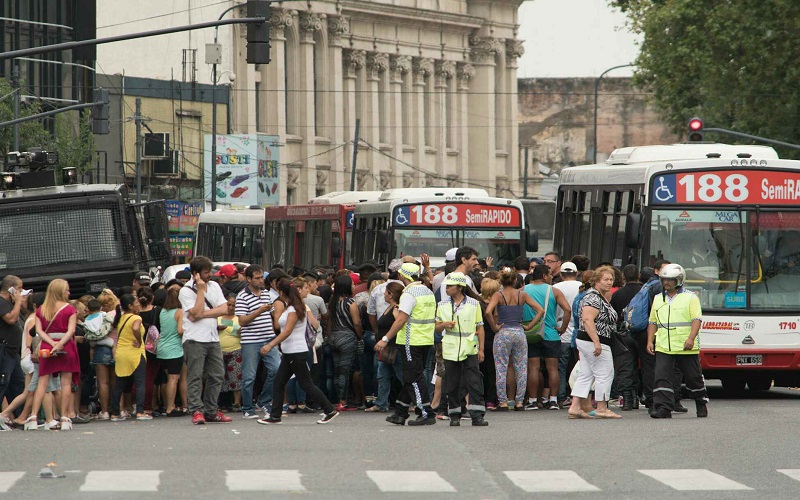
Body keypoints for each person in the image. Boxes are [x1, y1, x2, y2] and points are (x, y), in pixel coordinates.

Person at [257, 278, 339, 425]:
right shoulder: (293, 306)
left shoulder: (294, 309)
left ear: (282, 292)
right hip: (291, 351)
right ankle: (275, 416)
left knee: (306, 384)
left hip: (296, 351)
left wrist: (270, 345)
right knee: (280, 382)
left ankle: (329, 410)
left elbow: (287, 331)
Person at [374, 263, 438, 426]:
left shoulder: (408, 294)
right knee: (413, 375)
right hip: (426, 339)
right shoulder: (427, 291)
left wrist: (385, 339)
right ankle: (400, 412)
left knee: (413, 377)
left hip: (411, 340)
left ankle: (426, 413)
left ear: (403, 276)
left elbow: (401, 319)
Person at [647, 263, 708, 418]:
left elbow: (696, 320)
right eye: (663, 279)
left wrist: (691, 338)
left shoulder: (690, 297)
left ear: (679, 280)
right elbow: (652, 322)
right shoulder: (657, 298)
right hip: (663, 346)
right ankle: (664, 408)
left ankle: (700, 402)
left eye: (670, 280)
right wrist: (649, 341)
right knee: (661, 377)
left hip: (685, 345)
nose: (666, 283)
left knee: (693, 378)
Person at [179, 256, 233, 425]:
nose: (210, 275)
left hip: (213, 337)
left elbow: (224, 308)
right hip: (194, 338)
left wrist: (202, 313)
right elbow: (193, 314)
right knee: (195, 376)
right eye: (206, 272)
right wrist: (201, 291)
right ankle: (196, 410)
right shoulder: (186, 291)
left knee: (217, 374)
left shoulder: (215, 286)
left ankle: (211, 410)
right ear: (196, 274)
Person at [485, 270, 544, 411]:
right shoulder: (522, 295)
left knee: (501, 368)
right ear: (514, 281)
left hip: (503, 332)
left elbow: (488, 312)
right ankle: (519, 401)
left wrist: (494, 326)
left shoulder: (498, 295)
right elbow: (540, 310)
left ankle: (503, 401)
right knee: (521, 367)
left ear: (501, 281)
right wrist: (529, 325)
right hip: (519, 331)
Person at [435, 273, 488, 426]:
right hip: (450, 347)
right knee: (451, 383)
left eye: (450, 286)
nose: (446, 289)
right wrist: (444, 325)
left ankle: (477, 415)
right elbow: (437, 328)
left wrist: (481, 349)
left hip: (469, 346)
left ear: (459, 287)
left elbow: (480, 327)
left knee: (474, 381)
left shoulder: (474, 304)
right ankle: (454, 414)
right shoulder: (442, 305)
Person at [568, 266, 620, 419]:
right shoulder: (593, 297)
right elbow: (587, 319)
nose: (609, 282)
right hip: (595, 341)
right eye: (605, 279)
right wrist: (596, 342)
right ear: (596, 281)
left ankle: (575, 407)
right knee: (605, 372)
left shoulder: (598, 296)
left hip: (587, 340)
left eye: (611, 279)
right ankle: (602, 408)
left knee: (586, 374)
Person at [28, 279, 79, 430]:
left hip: (46, 346)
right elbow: (71, 330)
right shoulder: (70, 309)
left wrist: (51, 343)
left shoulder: (41, 310)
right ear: (60, 291)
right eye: (67, 290)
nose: (69, 292)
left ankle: (33, 417)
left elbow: (39, 331)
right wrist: (59, 343)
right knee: (65, 382)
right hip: (65, 345)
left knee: (42, 382)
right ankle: (64, 417)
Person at [523, 265, 571, 410]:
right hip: (550, 333)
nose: (551, 277)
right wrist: (562, 328)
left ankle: (532, 400)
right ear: (544, 276)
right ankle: (553, 400)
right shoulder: (554, 291)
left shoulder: (523, 290)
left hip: (531, 333)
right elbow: (567, 309)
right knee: (552, 369)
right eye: (549, 274)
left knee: (533, 368)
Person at [235, 265, 278, 419]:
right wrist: (259, 310)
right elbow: (242, 321)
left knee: (277, 369)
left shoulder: (266, 293)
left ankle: (264, 401)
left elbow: (272, 316)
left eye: (262, 278)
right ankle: (247, 408)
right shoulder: (242, 296)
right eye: (257, 278)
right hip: (250, 342)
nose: (261, 281)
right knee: (249, 376)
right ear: (249, 279)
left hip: (269, 338)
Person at [109, 294, 151, 421]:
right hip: (135, 353)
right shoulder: (136, 318)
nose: (138, 304)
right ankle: (140, 411)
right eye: (136, 302)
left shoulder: (121, 318)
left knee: (119, 385)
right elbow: (136, 328)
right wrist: (139, 340)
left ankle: (114, 412)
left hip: (121, 353)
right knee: (140, 382)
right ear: (130, 306)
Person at [610, 264, 642, 411]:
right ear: (639, 276)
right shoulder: (643, 292)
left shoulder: (617, 294)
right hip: (642, 333)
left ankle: (628, 399)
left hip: (623, 334)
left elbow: (613, 315)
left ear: (623, 277)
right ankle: (640, 396)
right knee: (645, 366)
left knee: (625, 366)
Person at [328, 274, 363, 411]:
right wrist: (359, 335)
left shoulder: (332, 301)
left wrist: (329, 336)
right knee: (345, 370)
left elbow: (329, 321)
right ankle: (343, 401)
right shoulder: (350, 302)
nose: (354, 286)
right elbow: (356, 322)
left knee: (337, 370)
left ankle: (338, 399)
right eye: (352, 284)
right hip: (347, 338)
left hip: (334, 338)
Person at [371, 282, 405, 413]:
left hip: (394, 348)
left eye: (386, 292)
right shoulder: (389, 307)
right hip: (386, 349)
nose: (384, 294)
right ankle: (381, 403)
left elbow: (399, 323)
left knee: (402, 376)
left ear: (391, 294)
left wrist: (386, 339)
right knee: (383, 376)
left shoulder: (396, 309)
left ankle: (415, 401)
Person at [552, 262, 582, 405]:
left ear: (561, 275)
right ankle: (578, 395)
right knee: (580, 367)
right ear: (576, 273)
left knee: (561, 368)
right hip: (579, 333)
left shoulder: (555, 287)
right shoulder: (581, 287)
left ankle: (561, 396)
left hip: (560, 332)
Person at [0, 275, 28, 417]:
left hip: (13, 351)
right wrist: (17, 302)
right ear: (11, 288)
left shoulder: (10, 303)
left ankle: (21, 416)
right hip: (3, 350)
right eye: (19, 288)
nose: (21, 292)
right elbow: (10, 319)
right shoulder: (2, 302)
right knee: (2, 382)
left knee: (18, 384)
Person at [157, 288, 186, 417]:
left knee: (166, 379)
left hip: (162, 348)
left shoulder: (163, 312)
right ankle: (170, 407)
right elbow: (180, 330)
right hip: (174, 349)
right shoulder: (179, 312)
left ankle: (166, 405)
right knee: (173, 379)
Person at [136, 287, 162, 415]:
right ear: (152, 297)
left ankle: (136, 405)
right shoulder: (157, 310)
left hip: (136, 347)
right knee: (149, 379)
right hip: (153, 347)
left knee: (139, 378)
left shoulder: (135, 313)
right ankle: (147, 407)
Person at [218, 293, 242, 412]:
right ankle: (223, 403)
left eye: (234, 305)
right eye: (229, 305)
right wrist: (216, 328)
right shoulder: (217, 317)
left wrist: (241, 332)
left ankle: (237, 402)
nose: (231, 308)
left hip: (236, 350)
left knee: (236, 377)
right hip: (219, 351)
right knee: (220, 377)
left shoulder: (239, 318)